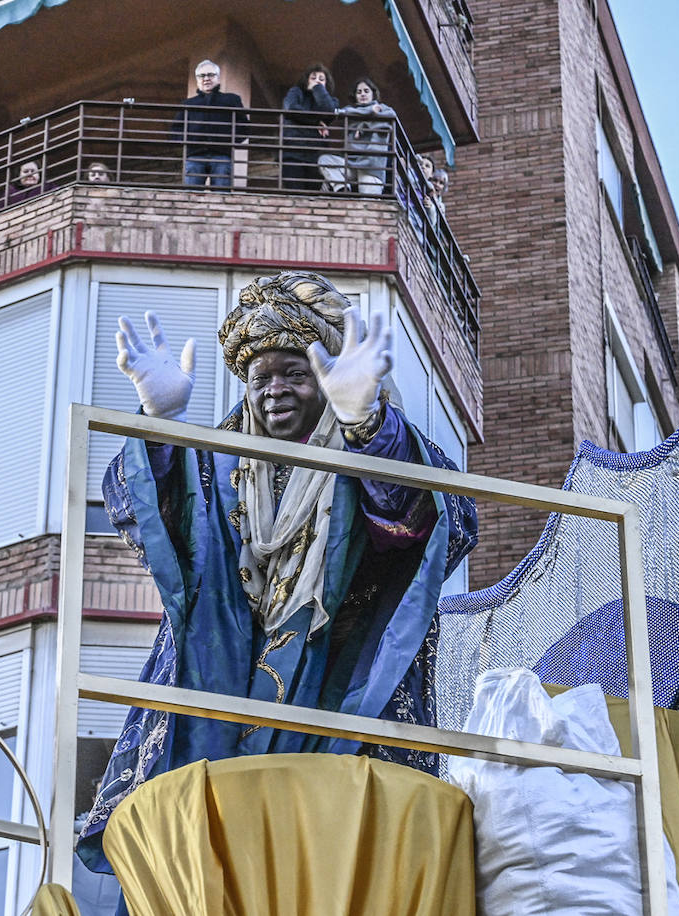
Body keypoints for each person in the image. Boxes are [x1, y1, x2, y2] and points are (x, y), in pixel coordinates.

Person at [76, 271, 478, 872]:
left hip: (338, 689)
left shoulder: (370, 442)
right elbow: (149, 520)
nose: (275, 391)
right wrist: (157, 428)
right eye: (261, 377)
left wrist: (367, 427)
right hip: (223, 694)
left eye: (295, 372)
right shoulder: (220, 463)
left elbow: (442, 523)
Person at [171, 59, 249, 190]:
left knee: (221, 196)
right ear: (197, 79)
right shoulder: (188, 104)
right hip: (195, 155)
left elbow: (244, 126)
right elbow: (176, 130)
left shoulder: (231, 100)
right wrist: (189, 142)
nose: (206, 78)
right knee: (190, 197)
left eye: (210, 75)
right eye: (202, 76)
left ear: (218, 78)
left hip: (222, 154)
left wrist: (228, 142)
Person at [317, 78, 397, 195]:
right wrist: (370, 112)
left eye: (366, 91)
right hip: (352, 163)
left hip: (372, 167)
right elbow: (343, 112)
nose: (363, 94)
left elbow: (391, 116)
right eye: (359, 92)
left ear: (373, 94)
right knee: (324, 160)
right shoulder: (351, 113)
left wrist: (364, 125)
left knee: (368, 204)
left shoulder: (382, 109)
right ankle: (342, 189)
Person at [280, 64, 338, 191]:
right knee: (294, 194)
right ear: (306, 80)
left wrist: (318, 89)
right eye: (313, 78)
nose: (317, 80)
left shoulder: (332, 101)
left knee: (313, 196)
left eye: (321, 79)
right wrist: (317, 122)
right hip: (293, 153)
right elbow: (291, 108)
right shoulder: (296, 92)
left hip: (316, 156)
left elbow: (328, 111)